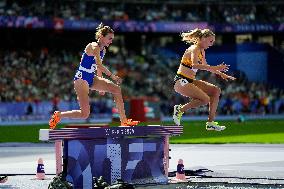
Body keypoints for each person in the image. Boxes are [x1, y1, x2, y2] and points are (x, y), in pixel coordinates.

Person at [49, 23, 139, 129]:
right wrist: (113, 77)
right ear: (101, 37)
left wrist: (101, 84)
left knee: (116, 89)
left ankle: (124, 121)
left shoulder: (103, 50)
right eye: (109, 38)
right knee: (84, 114)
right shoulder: (93, 46)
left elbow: (97, 68)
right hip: (81, 79)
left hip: (91, 77)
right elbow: (99, 65)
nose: (111, 41)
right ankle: (59, 115)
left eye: (112, 39)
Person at [173, 28, 236, 131]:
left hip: (190, 81)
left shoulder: (202, 51)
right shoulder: (194, 49)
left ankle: (210, 123)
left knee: (216, 91)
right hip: (181, 81)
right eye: (210, 41)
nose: (211, 44)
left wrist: (221, 74)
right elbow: (195, 65)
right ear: (203, 39)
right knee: (205, 99)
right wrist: (215, 68)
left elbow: (205, 66)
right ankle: (180, 109)